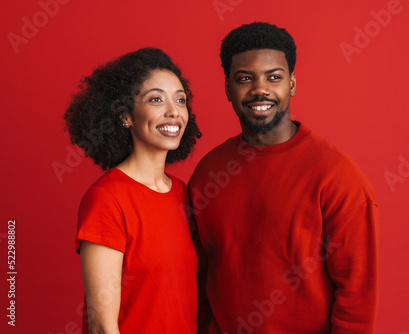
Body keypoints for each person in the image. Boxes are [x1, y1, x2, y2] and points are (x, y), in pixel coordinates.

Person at [188, 22, 379, 333]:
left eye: (273, 77)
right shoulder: (209, 173)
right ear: (227, 87)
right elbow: (198, 276)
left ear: (291, 83)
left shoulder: (337, 175)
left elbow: (357, 293)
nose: (260, 89)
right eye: (245, 78)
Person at [64, 47, 202, 334]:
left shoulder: (182, 193)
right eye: (156, 99)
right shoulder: (107, 198)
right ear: (126, 115)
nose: (173, 112)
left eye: (180, 100)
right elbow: (102, 326)